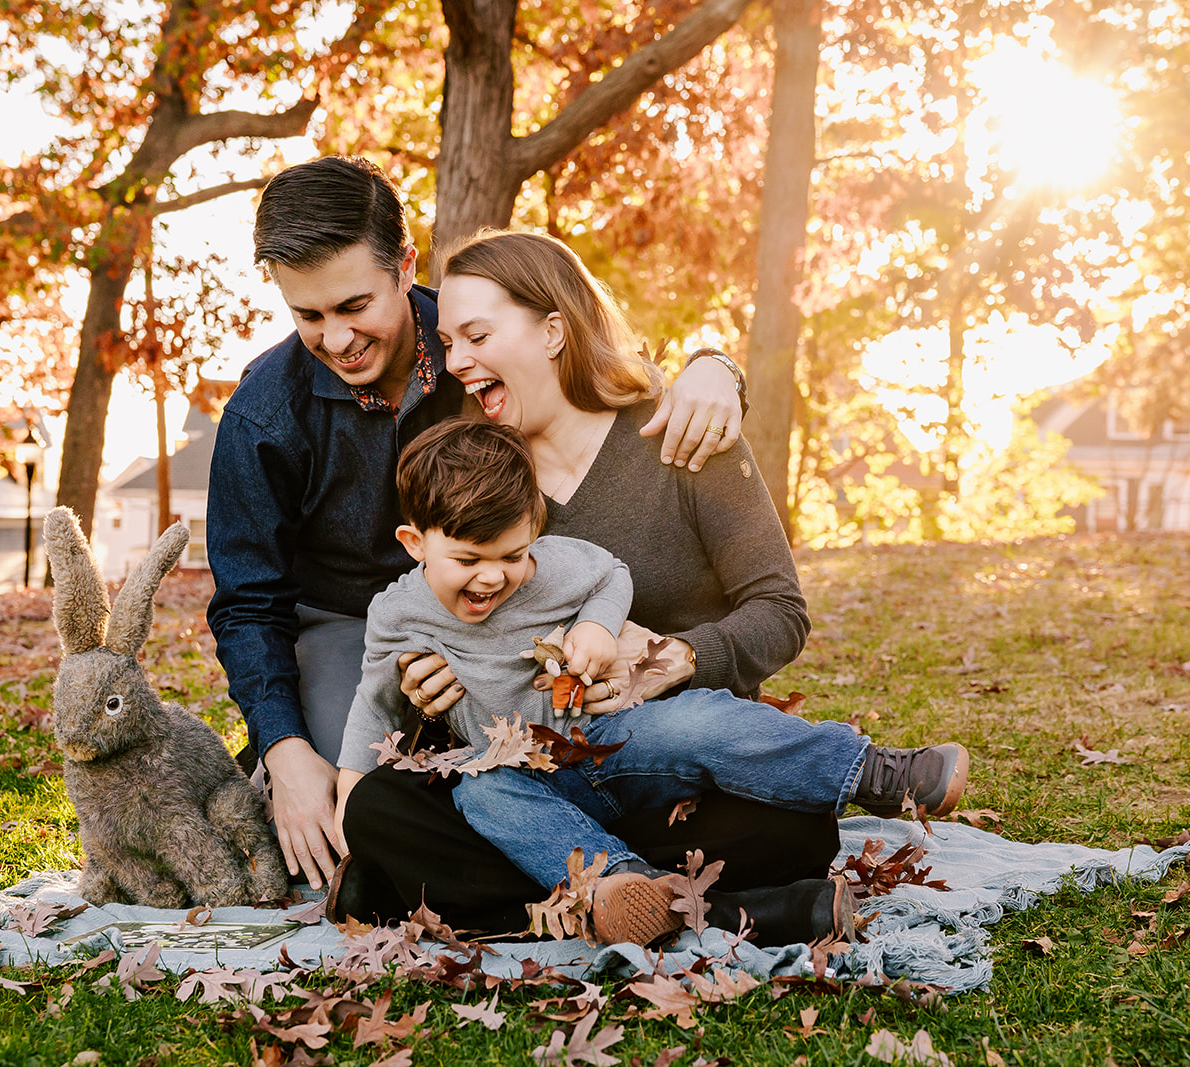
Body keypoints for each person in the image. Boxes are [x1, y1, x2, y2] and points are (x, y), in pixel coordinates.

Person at [338, 230, 970, 936]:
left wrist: (671, 661)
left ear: (552, 329)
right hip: (537, 779)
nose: (458, 363)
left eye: (477, 335)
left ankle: (540, 900)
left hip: (683, 768)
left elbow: (782, 611)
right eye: (449, 343)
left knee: (792, 831)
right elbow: (436, 626)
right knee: (389, 807)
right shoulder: (478, 468)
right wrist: (424, 695)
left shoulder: (684, 429)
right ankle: (697, 909)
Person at [206, 157, 750, 891]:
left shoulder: (479, 337)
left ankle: (554, 860)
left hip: (507, 604)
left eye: (354, 305)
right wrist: (284, 747)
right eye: (309, 316)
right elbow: (247, 604)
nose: (337, 340)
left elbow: (597, 358)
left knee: (562, 752)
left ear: (404, 267)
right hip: (351, 623)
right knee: (345, 794)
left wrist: (716, 365)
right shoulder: (263, 417)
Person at [336, 417, 878, 946]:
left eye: (511, 556)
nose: (493, 575)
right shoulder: (404, 606)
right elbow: (374, 703)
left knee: (799, 825)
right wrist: (361, 773)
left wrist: (638, 642)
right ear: (414, 542)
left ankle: (602, 897)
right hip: (520, 790)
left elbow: (769, 610)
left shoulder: (661, 448)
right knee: (406, 804)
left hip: (627, 757)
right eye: (469, 559)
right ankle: (684, 903)